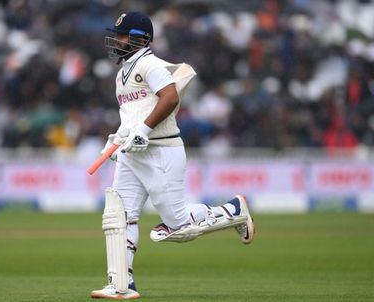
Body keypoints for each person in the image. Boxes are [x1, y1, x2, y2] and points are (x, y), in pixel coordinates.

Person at [91, 11, 255, 300]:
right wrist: (116, 139)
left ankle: (233, 211)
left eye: (122, 35)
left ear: (140, 38)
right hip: (133, 153)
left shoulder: (150, 64)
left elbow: (170, 97)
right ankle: (121, 284)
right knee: (119, 216)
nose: (116, 40)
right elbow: (133, 115)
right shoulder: (122, 74)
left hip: (161, 149)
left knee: (178, 226)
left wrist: (143, 130)